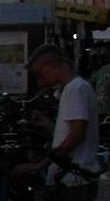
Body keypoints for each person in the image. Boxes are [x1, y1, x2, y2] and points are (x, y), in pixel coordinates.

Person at [9, 43, 100, 201]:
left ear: (50, 64)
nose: (41, 82)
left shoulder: (74, 90)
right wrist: (50, 125)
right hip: (75, 178)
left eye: (40, 74)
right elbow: (73, 132)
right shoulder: (78, 87)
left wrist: (38, 165)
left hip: (74, 180)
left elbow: (77, 136)